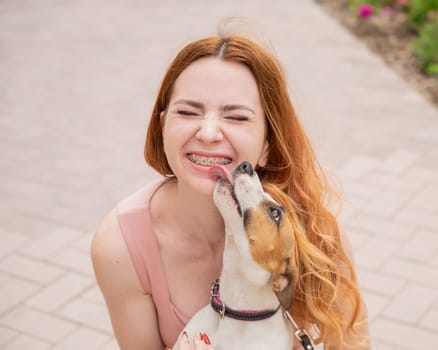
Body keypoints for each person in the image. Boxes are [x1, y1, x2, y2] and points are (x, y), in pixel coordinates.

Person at [91, 30, 371, 350]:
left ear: (267, 144)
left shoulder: (315, 233)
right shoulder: (121, 247)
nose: (208, 133)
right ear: (162, 126)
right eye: (188, 112)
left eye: (236, 117)